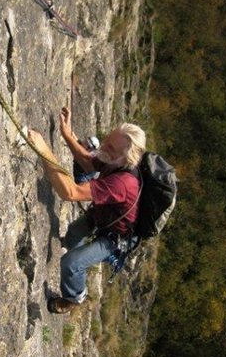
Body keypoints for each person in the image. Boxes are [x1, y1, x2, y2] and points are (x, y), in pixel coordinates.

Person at [28, 107, 146, 314]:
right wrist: (66, 132)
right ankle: (75, 255)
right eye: (107, 140)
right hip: (102, 215)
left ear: (125, 158)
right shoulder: (115, 159)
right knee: (74, 232)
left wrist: (43, 150)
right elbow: (88, 162)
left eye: (111, 147)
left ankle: (73, 299)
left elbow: (71, 193)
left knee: (71, 264)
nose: (105, 146)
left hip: (115, 237)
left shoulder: (123, 182)